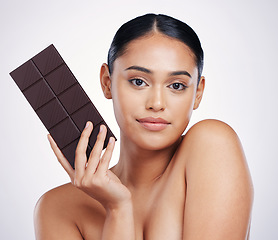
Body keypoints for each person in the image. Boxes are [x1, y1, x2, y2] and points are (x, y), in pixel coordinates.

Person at [34, 13, 254, 239]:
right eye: (139, 82)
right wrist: (118, 208)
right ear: (107, 83)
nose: (157, 104)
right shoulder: (57, 208)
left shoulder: (213, 144)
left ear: (198, 93)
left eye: (177, 85)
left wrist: (118, 208)